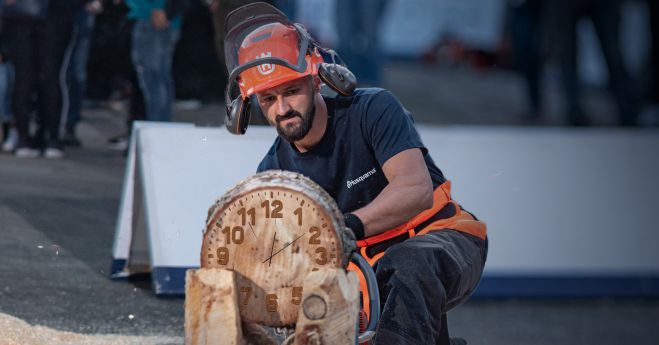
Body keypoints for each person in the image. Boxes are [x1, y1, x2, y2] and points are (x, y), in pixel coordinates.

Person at [223, 3, 488, 344]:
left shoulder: (373, 110)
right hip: (364, 271)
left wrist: (344, 226)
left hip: (445, 237)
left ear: (317, 80)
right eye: (268, 99)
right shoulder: (274, 174)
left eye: (291, 91)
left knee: (406, 265)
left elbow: (416, 189)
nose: (283, 109)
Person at [2, 0, 88, 158]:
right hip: (22, 17)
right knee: (24, 77)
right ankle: (25, 136)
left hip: (55, 16)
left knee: (49, 76)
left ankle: (49, 136)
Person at [126, 0, 187, 122]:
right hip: (156, 15)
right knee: (159, 76)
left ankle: (157, 125)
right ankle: (160, 126)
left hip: (153, 17)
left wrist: (160, 8)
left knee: (153, 77)